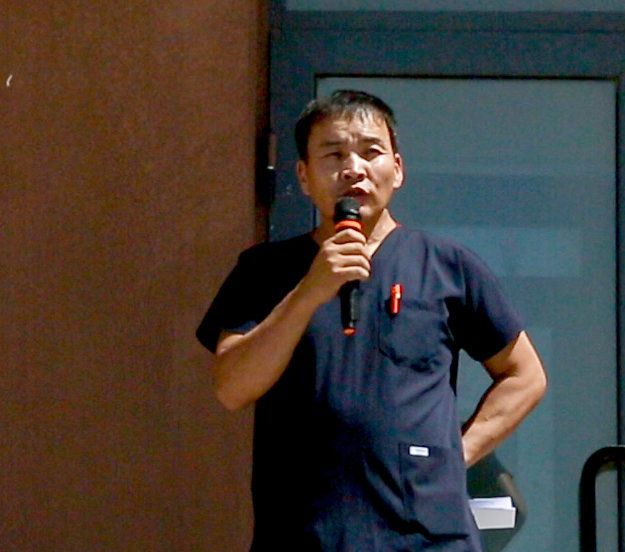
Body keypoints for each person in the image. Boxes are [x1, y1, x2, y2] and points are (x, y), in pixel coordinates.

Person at [196, 90, 547, 551]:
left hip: (425, 534)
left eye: (370, 151)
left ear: (397, 169)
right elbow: (232, 387)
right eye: (333, 154)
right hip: (305, 533)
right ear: (303, 177)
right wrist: (309, 291)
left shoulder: (447, 267)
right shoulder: (264, 271)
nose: (353, 169)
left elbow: (525, 376)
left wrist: (455, 455)